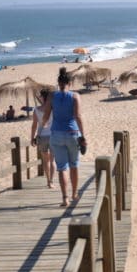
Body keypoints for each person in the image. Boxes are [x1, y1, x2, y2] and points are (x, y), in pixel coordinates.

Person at [42, 67, 86, 207]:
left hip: (56, 135)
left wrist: (42, 125)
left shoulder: (51, 96)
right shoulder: (75, 96)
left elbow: (46, 115)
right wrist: (83, 135)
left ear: (58, 82)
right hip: (72, 133)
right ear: (70, 83)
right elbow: (78, 116)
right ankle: (74, 193)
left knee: (62, 167)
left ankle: (65, 198)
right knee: (74, 165)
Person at [31, 89, 56, 189]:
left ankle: (48, 181)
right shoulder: (53, 108)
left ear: (42, 97)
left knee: (46, 161)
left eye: (41, 96)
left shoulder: (36, 110)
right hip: (53, 136)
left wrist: (32, 137)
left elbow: (34, 125)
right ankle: (52, 181)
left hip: (42, 137)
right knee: (52, 160)